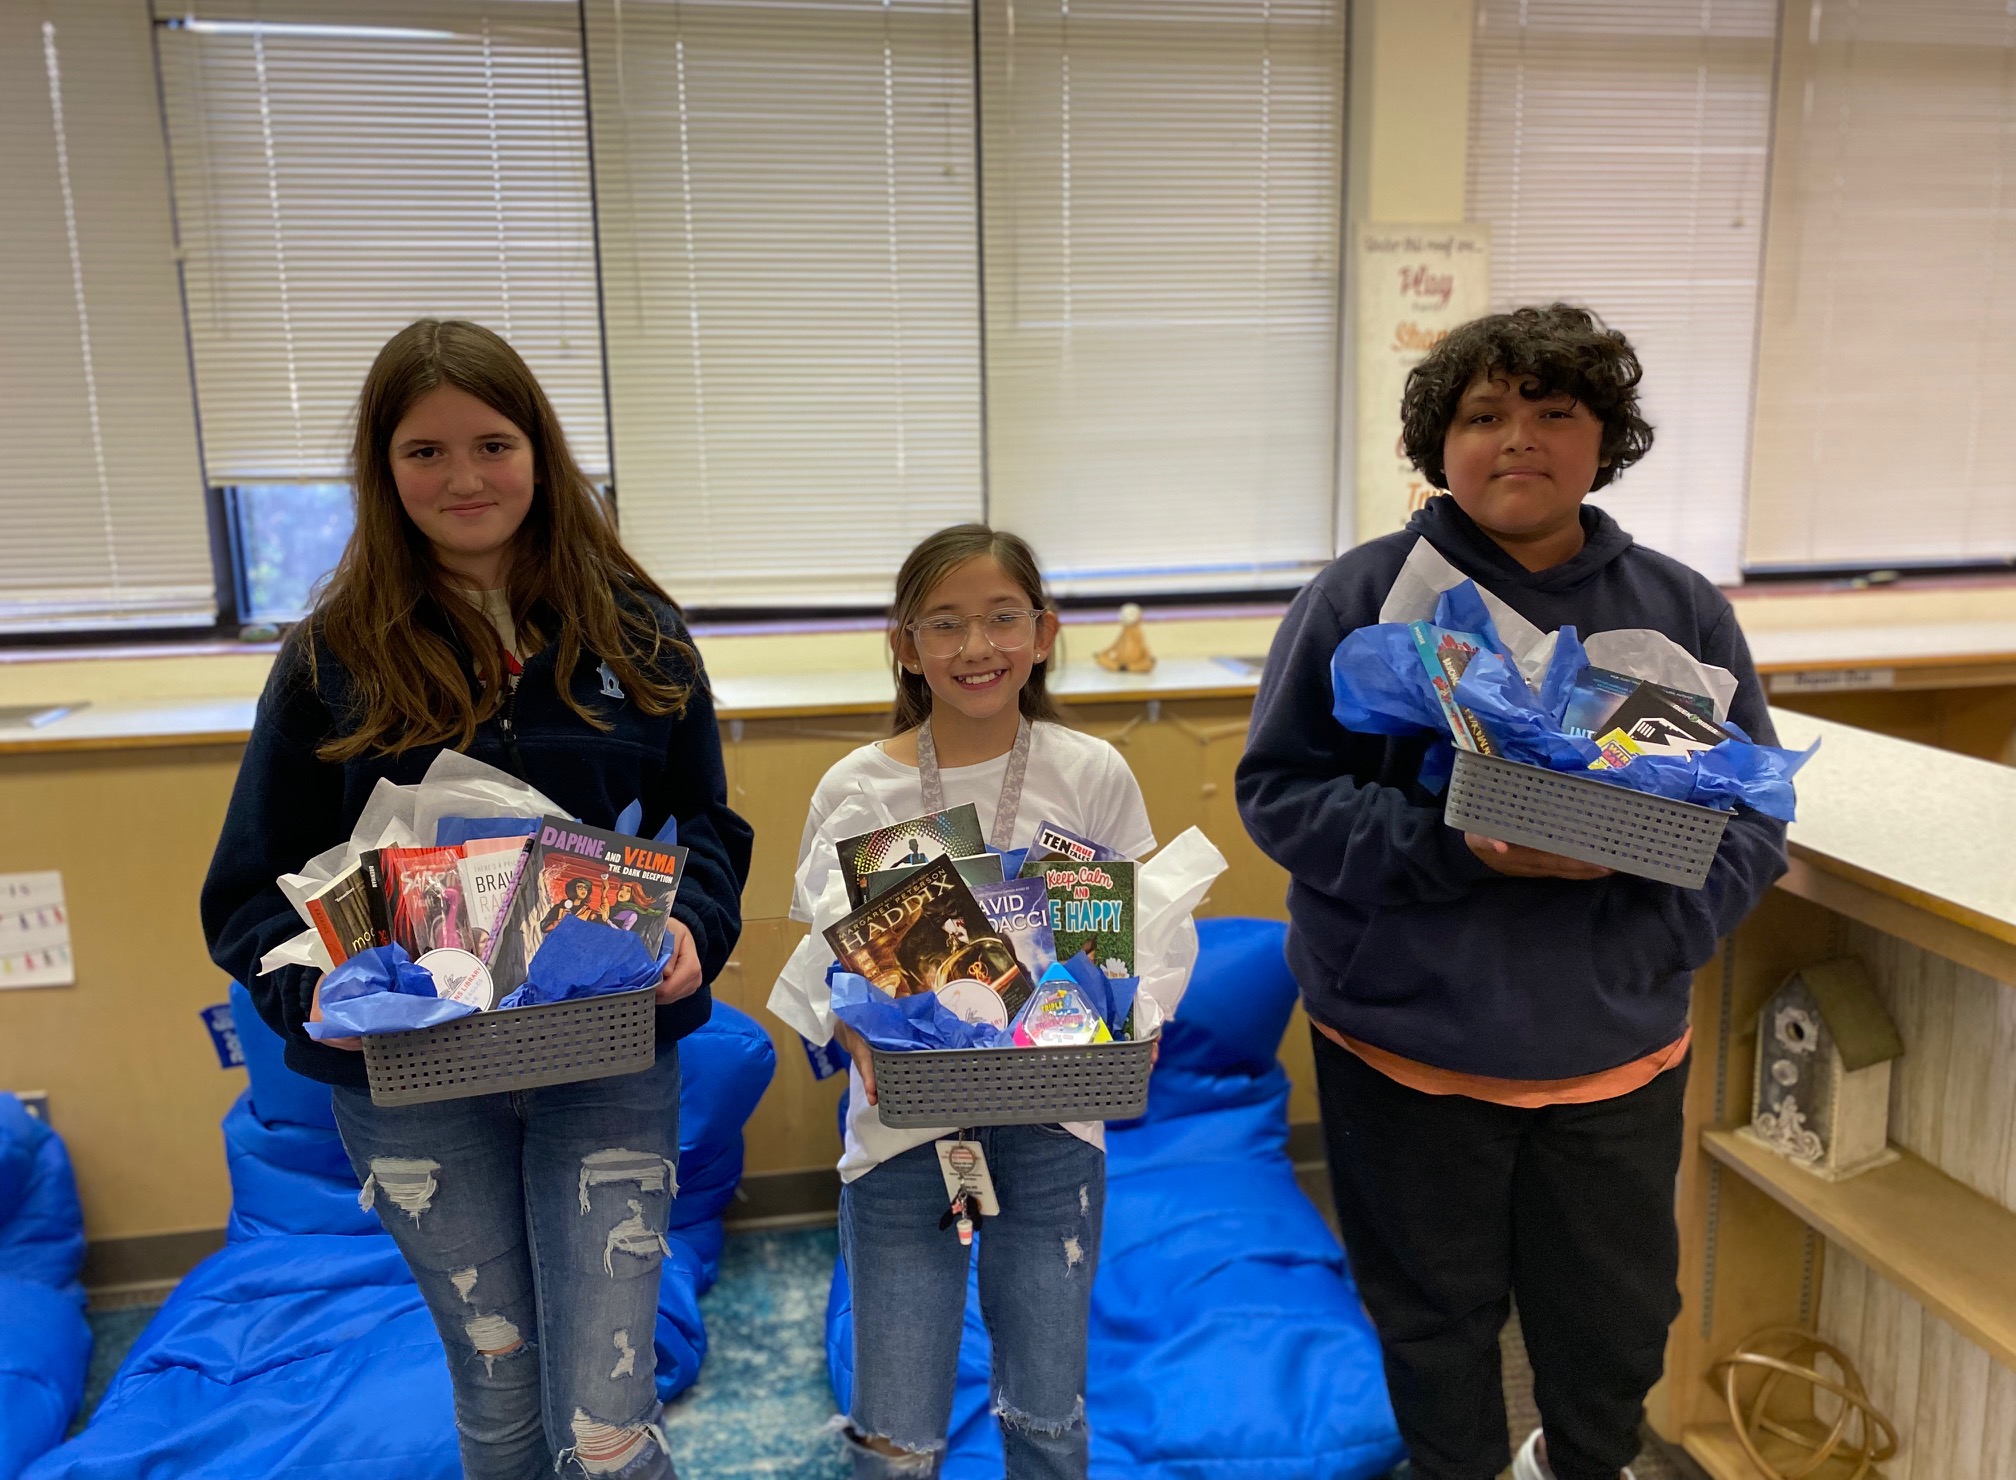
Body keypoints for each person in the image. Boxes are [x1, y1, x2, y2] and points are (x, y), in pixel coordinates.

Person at [1235, 305, 1788, 1480]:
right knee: (1433, 1328)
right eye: (1484, 415)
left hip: (1614, 1051)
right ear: (1440, 445)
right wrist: (1455, 843)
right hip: (1403, 1048)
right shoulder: (1365, 597)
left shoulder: (1681, 611)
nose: (1518, 437)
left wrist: (1653, 931)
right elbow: (1280, 796)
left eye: (1553, 412)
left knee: (1612, 1327)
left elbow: (1752, 821)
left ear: (1607, 441)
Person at [201, 319, 752, 1480]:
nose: (464, 479)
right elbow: (249, 892)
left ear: (540, 453)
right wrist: (322, 987)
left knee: (607, 1411)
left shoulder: (639, 635)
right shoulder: (328, 660)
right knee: (498, 1391)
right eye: (425, 452)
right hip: (415, 1094)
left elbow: (706, 824)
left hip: (606, 1062)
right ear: (382, 468)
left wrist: (696, 929)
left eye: (493, 444)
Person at [773, 525, 1155, 1478]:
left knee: (1048, 1409)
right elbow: (826, 960)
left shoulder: (1091, 770)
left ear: (1044, 632)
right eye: (944, 625)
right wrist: (854, 1041)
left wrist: (1140, 1027)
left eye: (1001, 619)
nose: (976, 648)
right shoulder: (855, 787)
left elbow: (1141, 934)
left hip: (1055, 1121)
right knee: (894, 1426)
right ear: (905, 645)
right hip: (904, 1129)